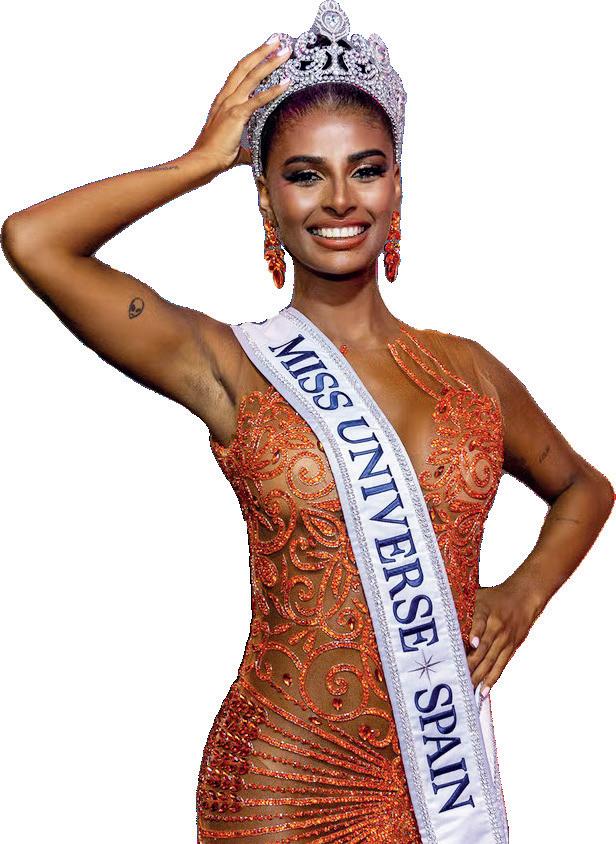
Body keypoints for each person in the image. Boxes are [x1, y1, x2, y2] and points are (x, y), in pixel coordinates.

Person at [2, 2, 613, 842]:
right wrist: (200, 161)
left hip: (437, 780)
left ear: (398, 185)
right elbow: (33, 241)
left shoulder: (470, 370)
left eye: (366, 170)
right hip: (282, 787)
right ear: (267, 197)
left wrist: (524, 594)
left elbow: (585, 487)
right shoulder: (229, 363)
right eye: (303, 174)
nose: (340, 200)